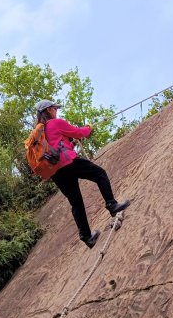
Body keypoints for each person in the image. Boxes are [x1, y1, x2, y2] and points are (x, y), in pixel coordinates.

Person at [35, 99, 130, 249]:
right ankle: (112, 205)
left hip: (56, 172)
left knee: (76, 203)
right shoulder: (55, 123)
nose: (56, 111)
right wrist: (88, 128)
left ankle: (87, 237)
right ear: (48, 110)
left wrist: (71, 144)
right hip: (68, 163)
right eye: (54, 108)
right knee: (100, 174)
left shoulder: (40, 133)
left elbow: (56, 146)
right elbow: (80, 132)